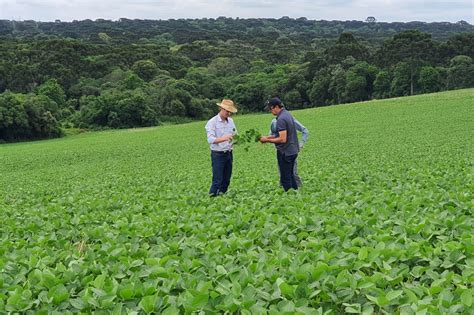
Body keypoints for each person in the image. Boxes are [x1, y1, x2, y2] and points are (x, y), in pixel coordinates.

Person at [260, 97, 299, 191]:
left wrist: (267, 140)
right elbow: (280, 134)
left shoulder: (281, 119)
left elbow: (282, 139)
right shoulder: (287, 114)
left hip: (285, 152)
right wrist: (267, 137)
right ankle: (295, 193)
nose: (270, 111)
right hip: (293, 150)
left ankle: (290, 196)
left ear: (276, 107)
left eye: (270, 108)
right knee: (291, 175)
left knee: (285, 178)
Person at [205, 99, 238, 196]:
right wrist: (224, 138)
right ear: (221, 108)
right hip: (218, 154)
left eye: (230, 112)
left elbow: (235, 134)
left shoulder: (231, 121)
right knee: (217, 180)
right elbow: (210, 139)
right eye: (227, 111)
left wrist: (237, 139)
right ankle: (211, 199)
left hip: (228, 153)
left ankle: (222, 197)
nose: (228, 113)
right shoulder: (212, 122)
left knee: (226, 179)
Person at [270, 116, 308, 187]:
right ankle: (284, 191)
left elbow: (305, 130)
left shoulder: (291, 120)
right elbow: (272, 134)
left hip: (290, 150)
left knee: (293, 172)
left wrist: (301, 144)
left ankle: (298, 190)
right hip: (280, 151)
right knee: (282, 173)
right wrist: (275, 145)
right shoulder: (274, 122)